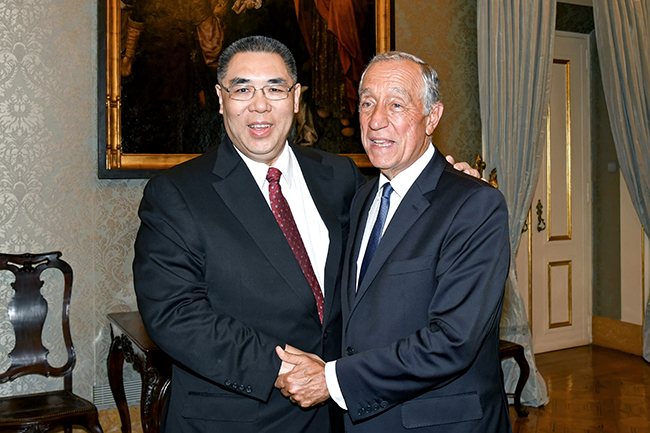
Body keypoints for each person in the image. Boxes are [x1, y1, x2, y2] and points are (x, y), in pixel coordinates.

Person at [133, 35, 480, 433]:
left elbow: (397, 235)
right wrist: (284, 369)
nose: (259, 105)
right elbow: (174, 313)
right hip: (238, 419)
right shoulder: (176, 193)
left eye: (275, 89)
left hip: (338, 416)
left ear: (296, 98)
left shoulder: (339, 176)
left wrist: (450, 188)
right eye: (242, 89)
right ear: (220, 98)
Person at [274, 51, 513, 432]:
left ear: (432, 117)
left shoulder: (474, 204)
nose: (376, 120)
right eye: (367, 103)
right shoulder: (363, 198)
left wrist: (333, 380)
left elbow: (452, 341)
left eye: (396, 104)